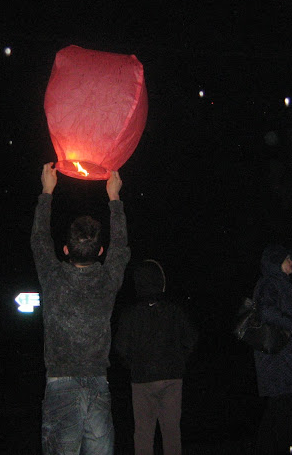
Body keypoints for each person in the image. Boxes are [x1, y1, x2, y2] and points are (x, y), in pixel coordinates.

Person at [31, 162, 130, 455]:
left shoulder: (52, 276)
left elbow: (38, 240)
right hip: (98, 385)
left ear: (65, 250)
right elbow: (121, 247)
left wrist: (47, 191)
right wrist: (114, 198)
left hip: (61, 386)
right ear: (100, 252)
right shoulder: (108, 278)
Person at [114, 259, 198, 455]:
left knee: (143, 433)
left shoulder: (130, 314)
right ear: (161, 281)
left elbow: (120, 347)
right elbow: (192, 339)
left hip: (142, 380)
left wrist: (133, 364)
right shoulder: (174, 311)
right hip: (171, 378)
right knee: (171, 433)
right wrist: (179, 359)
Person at [252, 244, 292, 454]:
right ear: (277, 262)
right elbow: (267, 311)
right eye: (288, 259)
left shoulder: (280, 284)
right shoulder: (270, 283)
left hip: (286, 360)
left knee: (282, 412)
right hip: (278, 362)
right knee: (280, 413)